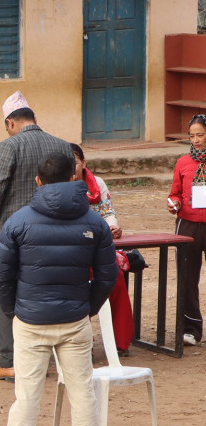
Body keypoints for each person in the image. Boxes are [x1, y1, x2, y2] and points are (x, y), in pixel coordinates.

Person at [0, 152, 118, 426]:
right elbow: (107, 274)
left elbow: (1, 274)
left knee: (27, 393)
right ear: (75, 177)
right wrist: (88, 307)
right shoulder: (94, 222)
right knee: (82, 390)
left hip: (30, 320)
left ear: (38, 181)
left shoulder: (18, 221)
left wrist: (12, 309)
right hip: (74, 319)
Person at [0, 92, 75, 381]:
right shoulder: (62, 146)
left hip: (14, 236)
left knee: (8, 296)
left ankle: (11, 361)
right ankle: (45, 358)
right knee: (48, 292)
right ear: (34, 119)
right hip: (57, 234)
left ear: (10, 123)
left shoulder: (8, 146)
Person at [71, 143, 135, 355]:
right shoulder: (58, 186)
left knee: (115, 280)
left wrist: (112, 226)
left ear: (84, 163)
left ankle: (121, 342)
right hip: (72, 253)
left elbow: (107, 211)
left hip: (98, 249)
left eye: (76, 161)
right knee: (76, 287)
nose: (72, 166)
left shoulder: (97, 184)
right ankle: (81, 343)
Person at [168, 113, 206, 347]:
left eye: (200, 135)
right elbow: (175, 193)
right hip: (188, 225)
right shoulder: (183, 163)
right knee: (187, 278)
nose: (196, 140)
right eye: (192, 136)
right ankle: (191, 328)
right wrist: (173, 203)